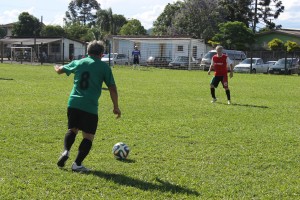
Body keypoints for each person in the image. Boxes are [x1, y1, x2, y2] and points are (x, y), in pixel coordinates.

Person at [54, 40, 121, 172]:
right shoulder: (104, 68)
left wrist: (56, 67)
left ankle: (66, 151)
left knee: (72, 129)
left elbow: (60, 70)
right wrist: (116, 106)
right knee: (88, 136)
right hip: (89, 107)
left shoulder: (79, 62)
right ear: (102, 54)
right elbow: (112, 88)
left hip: (73, 103)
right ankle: (77, 164)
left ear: (87, 52)